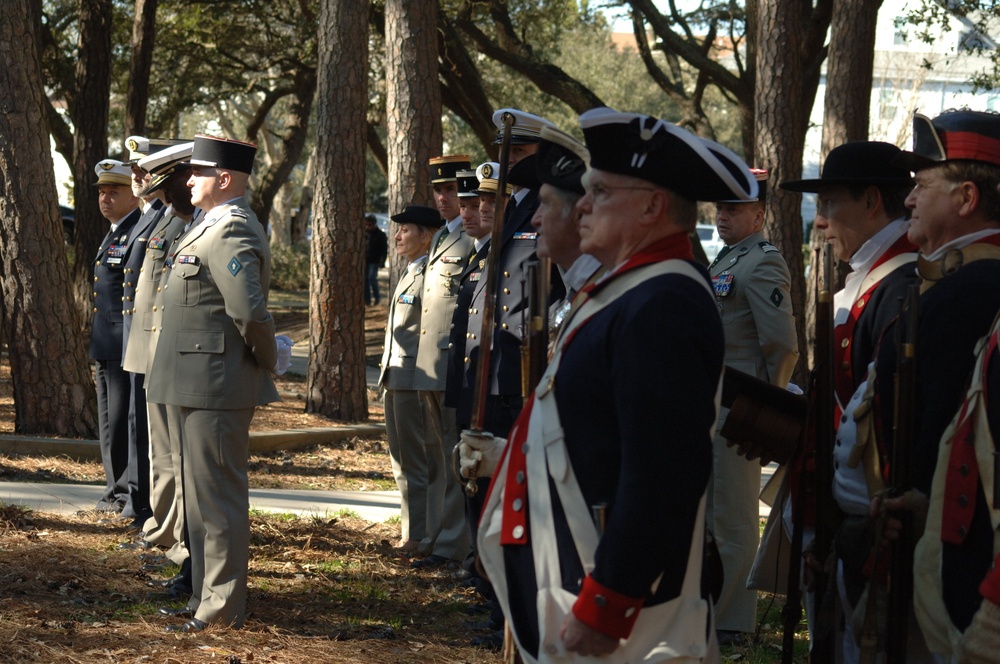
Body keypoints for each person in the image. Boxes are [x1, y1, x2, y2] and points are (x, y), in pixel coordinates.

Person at [463, 106, 760, 662]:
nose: (584, 204)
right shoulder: (628, 292)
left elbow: (664, 473)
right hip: (579, 578)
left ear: (651, 206)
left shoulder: (663, 301)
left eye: (601, 192)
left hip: (627, 622)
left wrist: (609, 605)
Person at [776, 141, 916, 662]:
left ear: (872, 199)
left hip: (869, 521)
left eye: (831, 203)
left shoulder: (901, 284)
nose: (821, 221)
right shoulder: (872, 280)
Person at [146, 134, 289, 632]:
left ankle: (222, 607)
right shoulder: (206, 227)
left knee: (219, 502)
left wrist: (271, 360)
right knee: (200, 503)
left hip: (216, 384)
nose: (188, 181)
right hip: (191, 382)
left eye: (197, 173)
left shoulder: (231, 229)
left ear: (224, 179)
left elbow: (249, 312)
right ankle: (203, 601)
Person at [871, 109, 1000, 662]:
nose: (908, 199)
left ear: (966, 198)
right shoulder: (951, 282)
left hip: (946, 557)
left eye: (923, 185)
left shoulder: (969, 291)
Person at [707, 168, 799, 643]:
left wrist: (765, 410)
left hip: (738, 411)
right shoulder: (727, 258)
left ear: (759, 215)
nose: (722, 216)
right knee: (711, 516)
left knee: (734, 519)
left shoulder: (761, 261)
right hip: (715, 407)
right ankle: (713, 614)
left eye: (734, 209)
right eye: (720, 208)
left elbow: (782, 345)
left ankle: (732, 621)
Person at [122, 141, 196, 586]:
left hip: (171, 352)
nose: (165, 190)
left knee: (176, 454)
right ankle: (167, 529)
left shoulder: (185, 223)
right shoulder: (169, 219)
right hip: (153, 348)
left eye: (167, 181)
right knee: (162, 451)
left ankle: (178, 538)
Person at [465, 109, 557, 439]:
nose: (510, 159)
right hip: (491, 370)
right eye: (507, 151)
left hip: (522, 369)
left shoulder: (548, 206)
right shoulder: (513, 207)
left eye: (520, 151)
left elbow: (562, 291)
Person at [411, 155, 474, 569]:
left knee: (454, 458)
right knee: (436, 457)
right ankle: (437, 535)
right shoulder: (440, 238)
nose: (444, 197)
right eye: (439, 190)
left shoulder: (470, 239)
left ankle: (453, 544)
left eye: (451, 190)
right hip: (428, 364)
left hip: (452, 364)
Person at [118, 135, 182, 531]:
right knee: (151, 439)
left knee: (168, 449)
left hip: (163, 345)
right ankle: (158, 522)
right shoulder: (155, 217)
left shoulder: (172, 219)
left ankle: (161, 523)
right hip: (141, 340)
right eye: (135, 169)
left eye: (146, 168)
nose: (137, 174)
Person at [376, 205, 444, 556]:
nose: (397, 236)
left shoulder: (432, 273)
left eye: (405, 230)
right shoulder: (410, 270)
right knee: (400, 460)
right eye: (396, 229)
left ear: (427, 235)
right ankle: (410, 530)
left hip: (413, 378)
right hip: (395, 376)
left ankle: (420, 534)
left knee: (417, 460)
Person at [90, 158, 141, 514]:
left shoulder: (137, 230)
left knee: (123, 422)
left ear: (133, 197)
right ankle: (113, 490)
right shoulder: (115, 231)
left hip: (125, 343)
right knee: (108, 424)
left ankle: (124, 493)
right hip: (106, 343)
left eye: (114, 192)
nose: (105, 199)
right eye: (102, 193)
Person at [364, 214, 388, 305]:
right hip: (365, 260)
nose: (367, 227)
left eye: (369, 225)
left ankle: (377, 298)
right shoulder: (364, 233)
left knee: (372, 278)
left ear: (374, 224)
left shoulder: (380, 235)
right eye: (366, 225)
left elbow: (384, 249)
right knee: (365, 280)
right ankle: (367, 300)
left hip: (375, 260)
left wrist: (382, 261)